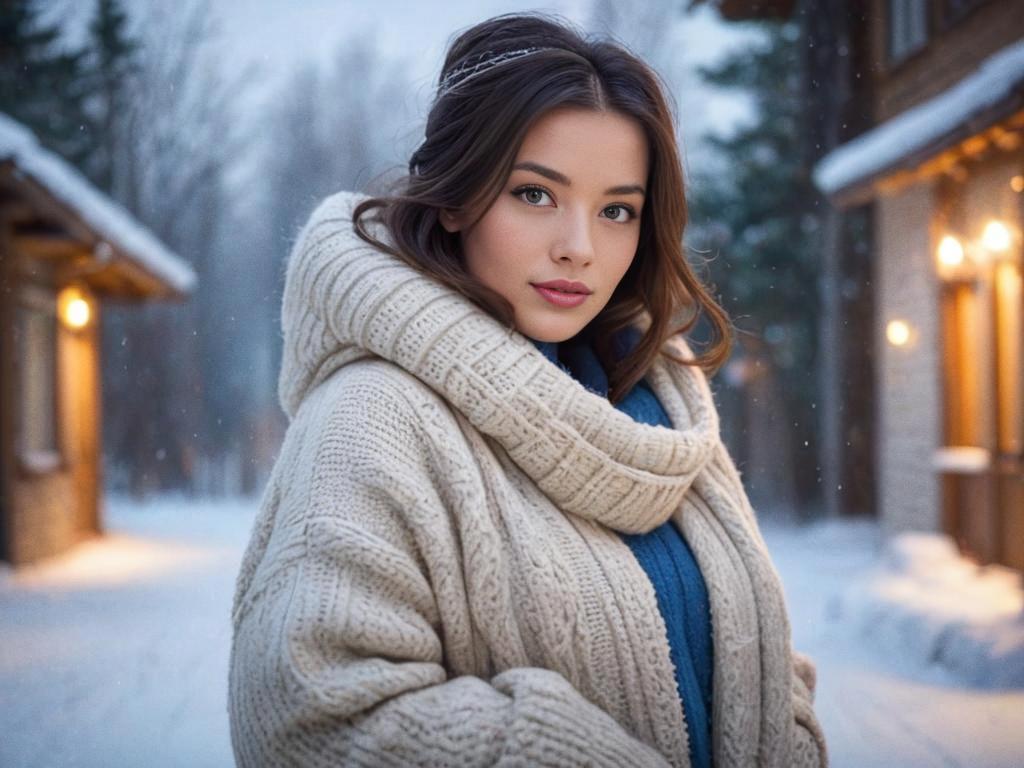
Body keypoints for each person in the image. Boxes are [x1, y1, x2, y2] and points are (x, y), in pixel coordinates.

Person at [228, 11, 828, 768]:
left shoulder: (660, 407)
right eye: (535, 195)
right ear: (455, 196)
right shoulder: (373, 416)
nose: (579, 247)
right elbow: (315, 719)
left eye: (617, 210)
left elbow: (765, 663)